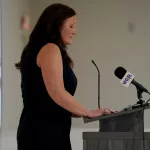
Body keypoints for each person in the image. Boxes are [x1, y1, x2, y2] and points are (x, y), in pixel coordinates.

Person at [15, 3, 116, 150]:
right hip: (43, 133)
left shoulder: (39, 48)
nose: (75, 31)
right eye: (71, 25)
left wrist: (83, 112)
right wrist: (88, 112)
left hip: (43, 130)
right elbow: (57, 93)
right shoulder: (50, 49)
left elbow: (48, 101)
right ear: (56, 25)